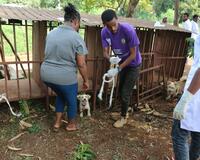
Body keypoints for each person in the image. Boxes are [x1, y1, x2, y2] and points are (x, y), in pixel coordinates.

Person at [40, 3, 89, 131]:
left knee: (61, 94)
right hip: (64, 77)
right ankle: (71, 124)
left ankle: (57, 123)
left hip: (46, 75)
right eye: (79, 24)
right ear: (75, 21)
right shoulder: (77, 38)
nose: (78, 26)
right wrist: (85, 80)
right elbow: (81, 64)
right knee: (72, 99)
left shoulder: (51, 33)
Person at [100, 9, 142, 128]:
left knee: (125, 92)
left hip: (134, 64)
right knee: (120, 90)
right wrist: (110, 59)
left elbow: (133, 54)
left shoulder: (128, 30)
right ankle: (123, 112)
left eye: (114, 25)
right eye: (109, 26)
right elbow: (105, 52)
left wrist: (118, 69)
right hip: (122, 63)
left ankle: (123, 117)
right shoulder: (104, 32)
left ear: (117, 20)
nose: (113, 29)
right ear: (104, 25)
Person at [172, 35, 200, 160]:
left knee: (179, 136)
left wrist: (185, 99)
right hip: (195, 91)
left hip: (195, 97)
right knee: (198, 135)